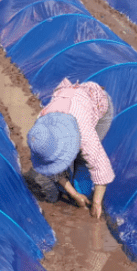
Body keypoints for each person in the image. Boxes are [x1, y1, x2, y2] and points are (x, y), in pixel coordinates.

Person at [26, 78, 114, 220]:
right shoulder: (40, 132)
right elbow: (49, 161)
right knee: (76, 190)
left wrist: (96, 204)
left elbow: (100, 167)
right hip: (71, 102)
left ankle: (76, 165)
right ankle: (70, 174)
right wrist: (74, 194)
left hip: (98, 104)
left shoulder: (84, 132)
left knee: (82, 166)